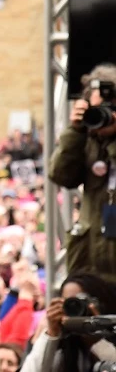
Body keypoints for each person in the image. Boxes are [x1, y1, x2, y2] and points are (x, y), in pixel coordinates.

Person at [50, 63, 116, 282]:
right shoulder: (84, 140)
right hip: (92, 263)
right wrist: (76, 131)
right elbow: (60, 175)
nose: (104, 114)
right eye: (97, 108)